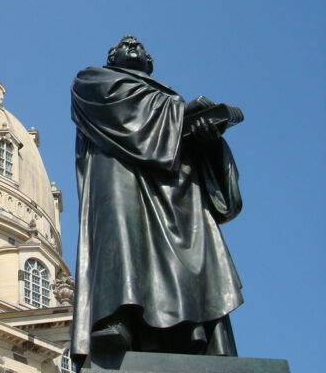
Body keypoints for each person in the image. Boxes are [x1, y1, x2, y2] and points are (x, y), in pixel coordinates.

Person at [70, 36, 243, 362]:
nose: (132, 42)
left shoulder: (169, 101)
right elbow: (120, 110)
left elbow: (185, 141)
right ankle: (117, 315)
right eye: (123, 43)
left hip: (176, 191)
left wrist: (207, 140)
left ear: (149, 62)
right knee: (122, 230)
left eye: (139, 45)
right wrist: (182, 115)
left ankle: (194, 331)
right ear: (112, 59)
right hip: (122, 175)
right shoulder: (91, 80)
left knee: (192, 252)